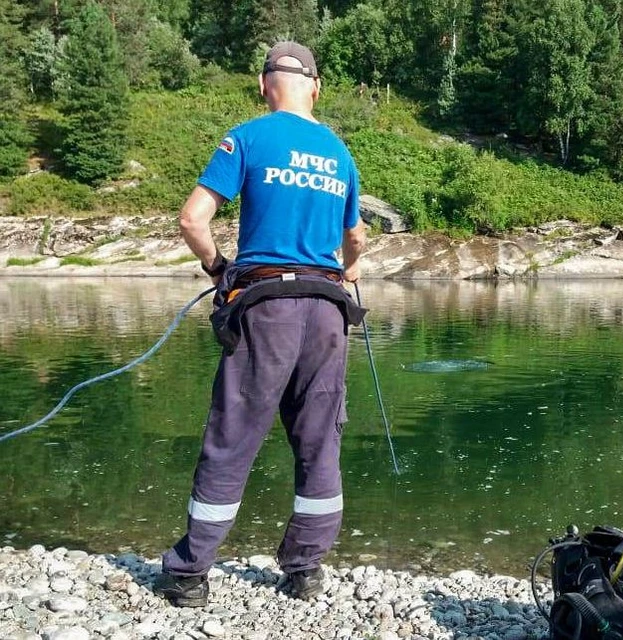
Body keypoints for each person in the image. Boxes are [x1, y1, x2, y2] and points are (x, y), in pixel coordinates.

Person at [153, 41, 367, 607]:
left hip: (264, 307)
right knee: (320, 443)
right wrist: (347, 272)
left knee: (232, 438)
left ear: (262, 84)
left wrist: (219, 267)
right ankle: (304, 571)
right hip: (327, 312)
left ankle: (190, 573)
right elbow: (357, 239)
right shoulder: (339, 152)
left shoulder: (247, 137)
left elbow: (192, 218)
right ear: (316, 87)